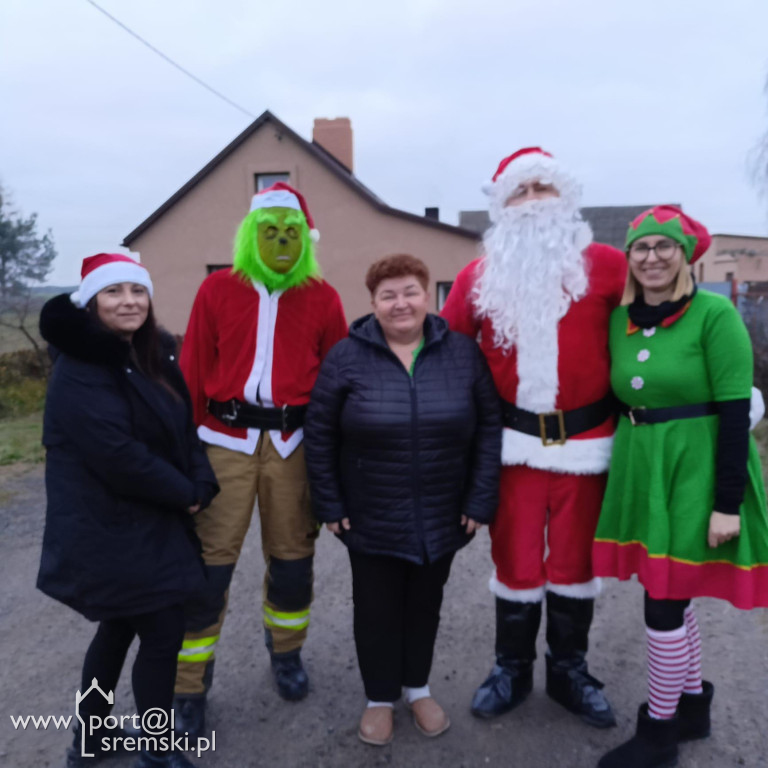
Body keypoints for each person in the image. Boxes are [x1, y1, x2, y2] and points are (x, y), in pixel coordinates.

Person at [440, 147, 625, 728]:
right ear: (502, 206)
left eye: (543, 188)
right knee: (516, 564)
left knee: (574, 563)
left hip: (590, 444)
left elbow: (665, 311)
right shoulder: (477, 276)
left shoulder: (609, 265)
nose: (533, 201)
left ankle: (569, 671)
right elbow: (447, 353)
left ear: (565, 198)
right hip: (512, 448)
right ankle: (511, 669)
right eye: (520, 192)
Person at [593, 206, 768, 768]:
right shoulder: (621, 321)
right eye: (641, 248)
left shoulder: (714, 314)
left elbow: (737, 413)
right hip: (644, 467)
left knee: (662, 605)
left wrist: (726, 503)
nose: (651, 258)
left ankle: (659, 733)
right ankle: (692, 706)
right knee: (672, 591)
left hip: (696, 470)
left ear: (685, 254)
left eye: (664, 247)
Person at [304, 254, 501, 746]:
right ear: (372, 304)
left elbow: (489, 429)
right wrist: (329, 504)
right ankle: (378, 699)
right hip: (370, 515)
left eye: (410, 291)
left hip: (442, 511)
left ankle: (418, 689)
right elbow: (320, 433)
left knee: (424, 606)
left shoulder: (461, 353)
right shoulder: (346, 357)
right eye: (388, 295)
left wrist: (480, 500)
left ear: (427, 294)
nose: (400, 304)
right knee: (374, 610)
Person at [174, 182, 348, 735]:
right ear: (251, 235)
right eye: (270, 232)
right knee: (207, 570)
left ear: (305, 240)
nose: (281, 242)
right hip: (223, 441)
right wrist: (186, 452)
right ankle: (188, 686)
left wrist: (334, 457)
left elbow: (338, 382)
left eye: (291, 234)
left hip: (293, 448)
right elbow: (193, 370)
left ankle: (287, 651)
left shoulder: (322, 295)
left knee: (293, 564)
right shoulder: (217, 290)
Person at [37, 253, 218, 768]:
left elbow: (184, 427)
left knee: (118, 627)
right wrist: (185, 492)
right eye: (113, 293)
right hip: (108, 528)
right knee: (162, 633)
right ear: (91, 302)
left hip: (147, 522)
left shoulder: (148, 355)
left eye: (137, 292)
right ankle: (157, 751)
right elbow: (118, 455)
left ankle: (90, 740)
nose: (129, 302)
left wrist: (202, 478)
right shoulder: (78, 368)